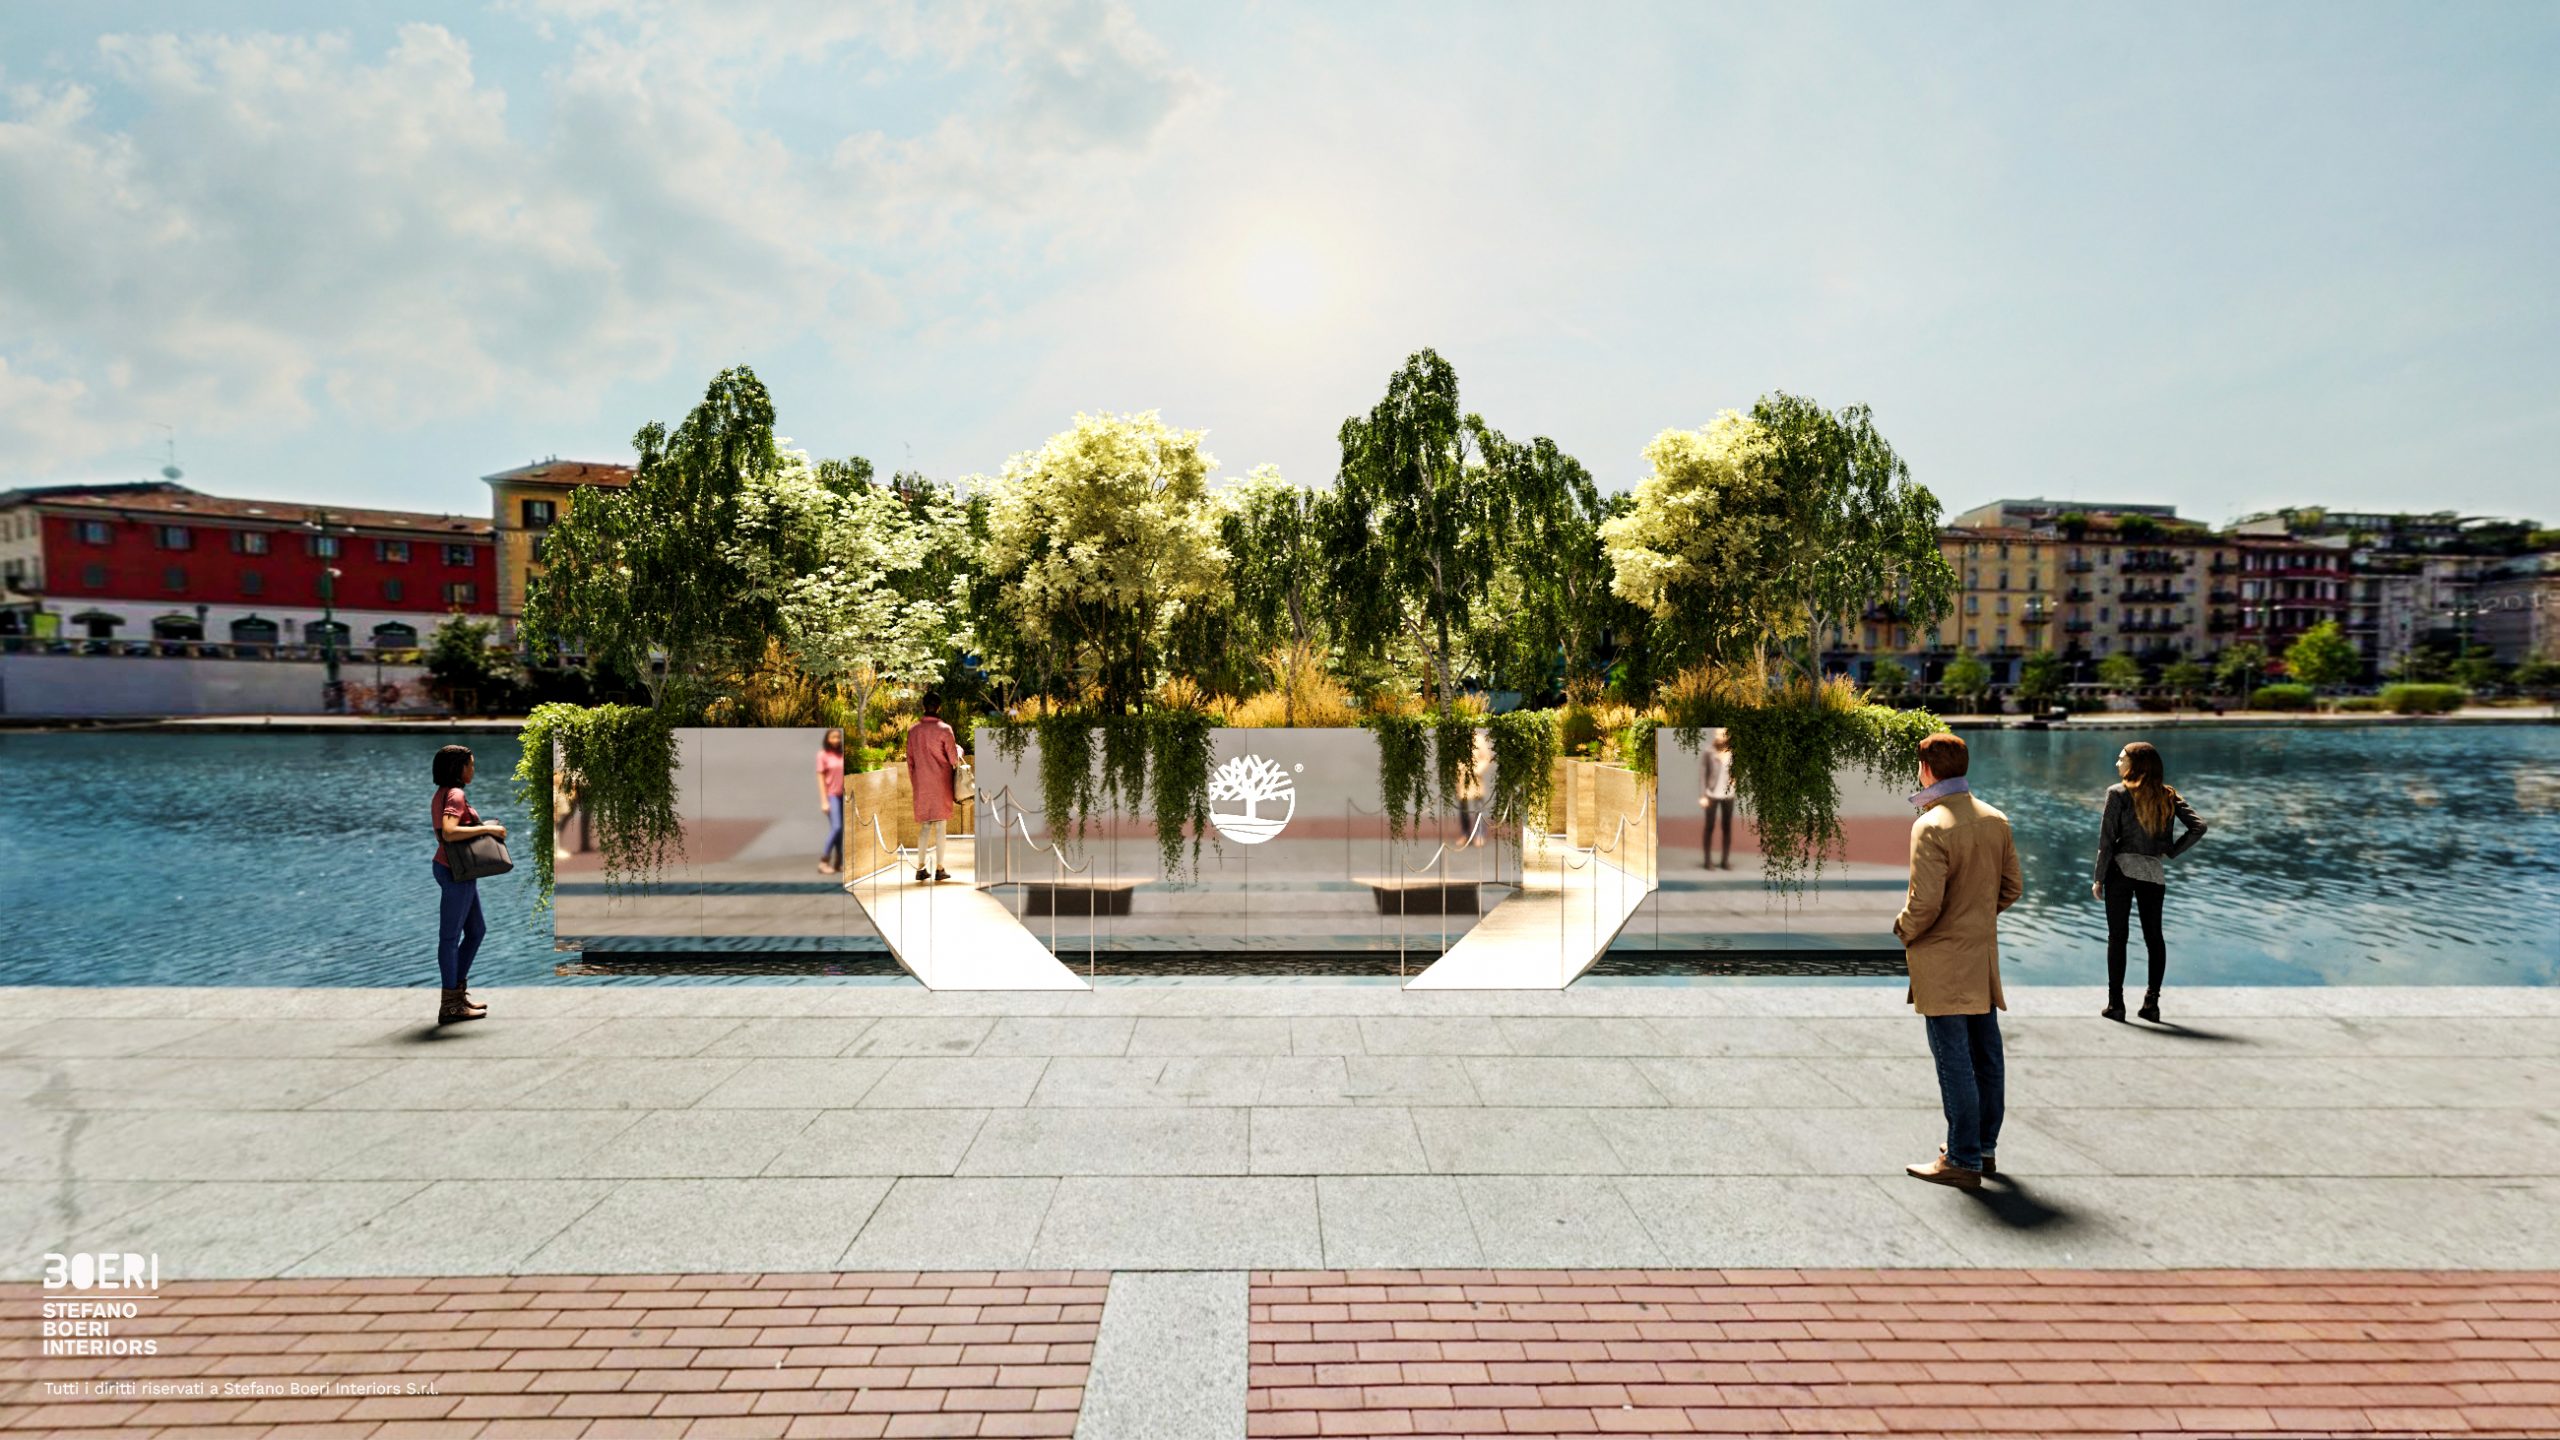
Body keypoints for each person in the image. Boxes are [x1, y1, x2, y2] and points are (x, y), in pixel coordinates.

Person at [1892, 732, 2024, 1191]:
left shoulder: (1930, 825)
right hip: (1981, 956)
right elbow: (2012, 889)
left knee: (1954, 1060)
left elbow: (1924, 905)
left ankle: (1962, 1159)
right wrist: (1975, 919)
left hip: (1943, 961)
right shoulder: (1995, 819)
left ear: (1926, 769)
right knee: (1986, 1056)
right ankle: (1983, 1150)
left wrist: (1903, 929)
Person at [2091, 740, 2209, 1023]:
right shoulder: (2168, 795)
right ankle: (2151, 1004)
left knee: (2117, 938)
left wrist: (2098, 878)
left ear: (2135, 764)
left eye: (2122, 759)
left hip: (2120, 870)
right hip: (2153, 873)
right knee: (2154, 938)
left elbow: (2106, 842)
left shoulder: (2117, 793)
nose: (2117, 763)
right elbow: (2199, 826)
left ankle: (2116, 1004)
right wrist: (2171, 850)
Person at [430, 744, 505, 1025]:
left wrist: (479, 824)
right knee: (450, 938)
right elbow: (449, 832)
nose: (473, 769)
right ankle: (450, 1004)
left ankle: (457, 995)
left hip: (453, 869)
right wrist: (487, 828)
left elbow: (450, 829)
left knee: (476, 930)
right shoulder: (456, 794)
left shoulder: (443, 793)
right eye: (470, 765)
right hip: (454, 871)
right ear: (458, 768)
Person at [905, 693, 962, 883]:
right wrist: (959, 750)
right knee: (940, 826)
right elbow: (954, 759)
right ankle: (940, 868)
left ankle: (920, 868)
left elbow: (910, 762)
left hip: (921, 783)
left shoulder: (913, 731)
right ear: (939, 707)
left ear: (923, 706)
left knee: (925, 826)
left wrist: (916, 783)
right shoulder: (945, 730)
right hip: (941, 783)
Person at [1700, 730, 1737, 869]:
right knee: (1709, 827)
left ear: (1727, 735)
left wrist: (1735, 778)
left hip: (1728, 795)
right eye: (1717, 733)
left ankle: (1725, 861)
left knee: (1726, 827)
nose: (1718, 736)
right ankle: (1707, 861)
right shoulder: (1709, 751)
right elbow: (1703, 774)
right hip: (1712, 794)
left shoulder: (1734, 752)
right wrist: (1703, 795)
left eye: (1722, 734)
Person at [816, 728, 848, 875]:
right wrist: (824, 801)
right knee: (836, 827)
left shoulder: (842, 754)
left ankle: (838, 863)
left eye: (838, 737)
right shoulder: (822, 755)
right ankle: (824, 861)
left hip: (844, 796)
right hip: (832, 796)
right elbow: (820, 779)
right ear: (827, 739)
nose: (836, 740)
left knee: (841, 831)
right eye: (833, 737)